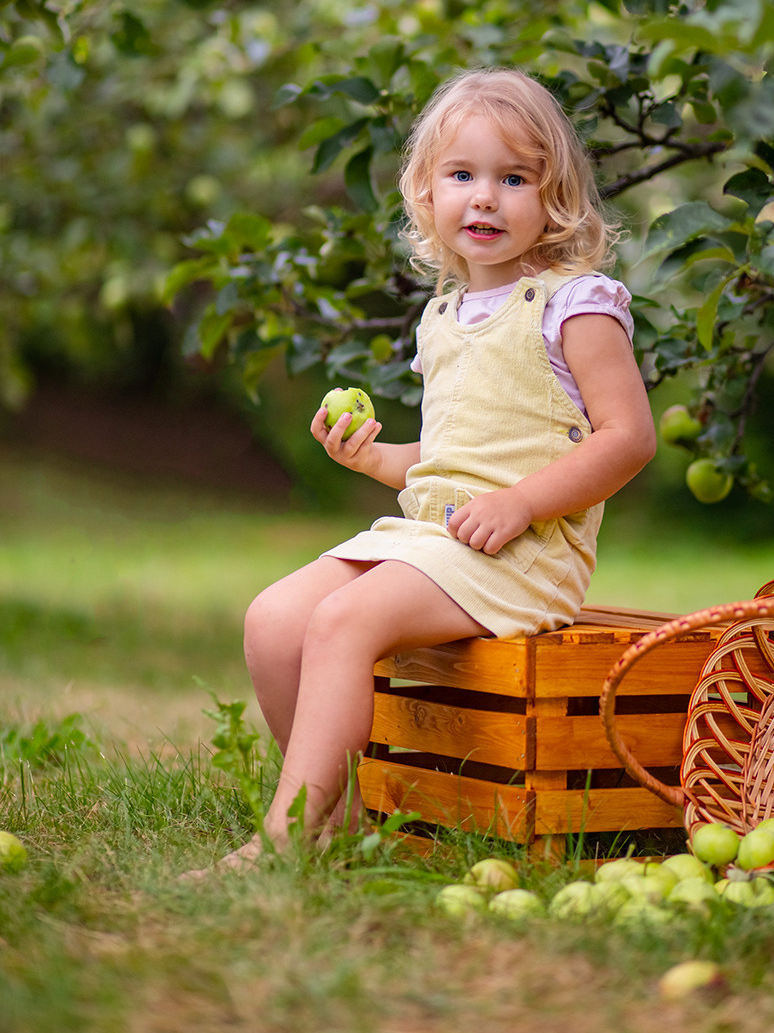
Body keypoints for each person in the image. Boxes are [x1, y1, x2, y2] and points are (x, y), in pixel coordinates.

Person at [186, 66, 656, 875]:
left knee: (342, 622)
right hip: (438, 537)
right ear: (425, 194)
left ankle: (284, 840)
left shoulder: (574, 303)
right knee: (273, 618)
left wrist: (518, 503)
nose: (484, 198)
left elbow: (627, 438)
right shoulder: (441, 317)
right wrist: (375, 457)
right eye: (461, 175)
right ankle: (346, 816)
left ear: (555, 198)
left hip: (522, 553)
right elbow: (449, 460)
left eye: (513, 178)